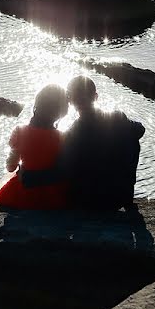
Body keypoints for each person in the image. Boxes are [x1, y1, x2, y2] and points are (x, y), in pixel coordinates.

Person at [22, 75, 145, 210]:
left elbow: (62, 172)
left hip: (86, 200)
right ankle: (127, 197)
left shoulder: (73, 133)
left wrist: (30, 177)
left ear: (70, 100)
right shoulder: (117, 117)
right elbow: (140, 129)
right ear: (95, 96)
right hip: (117, 198)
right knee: (132, 139)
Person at [0, 84, 69, 210]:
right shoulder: (62, 137)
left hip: (23, 191)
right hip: (53, 194)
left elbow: (10, 167)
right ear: (61, 112)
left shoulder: (20, 131)